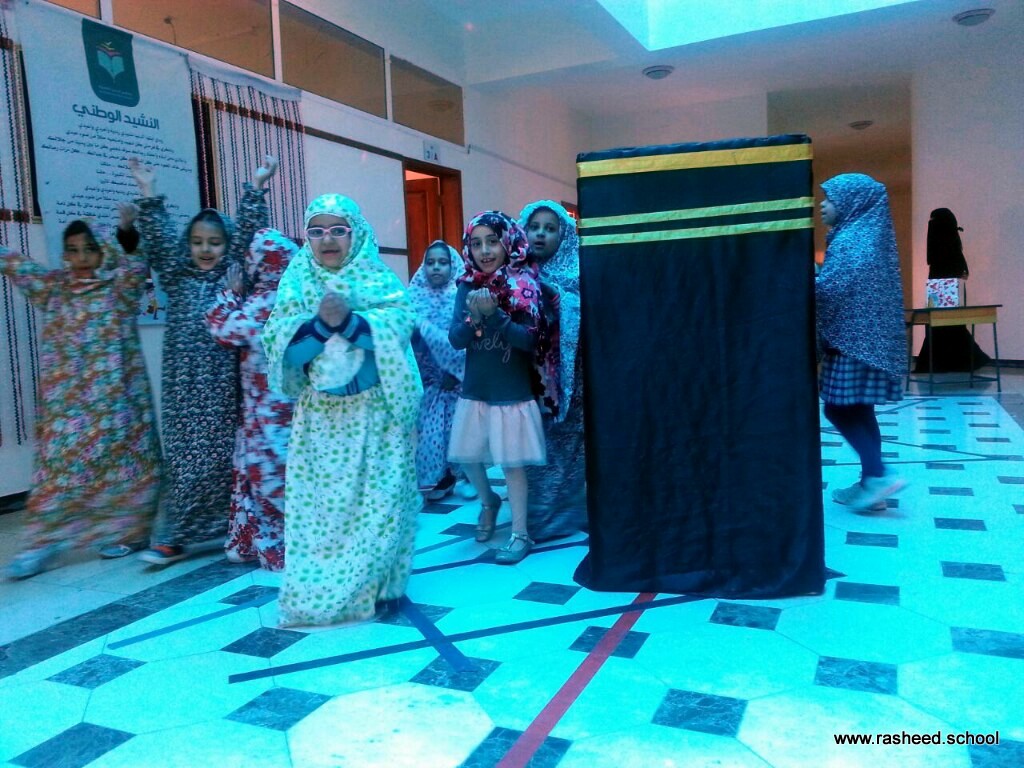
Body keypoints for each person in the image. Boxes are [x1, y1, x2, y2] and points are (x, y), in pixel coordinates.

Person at [262, 193, 422, 627]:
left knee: (382, 505)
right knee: (326, 514)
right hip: (322, 424)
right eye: (316, 231)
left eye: (338, 230)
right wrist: (320, 326)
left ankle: (381, 585)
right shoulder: (297, 281)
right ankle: (328, 587)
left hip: (375, 418)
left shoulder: (376, 277)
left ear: (357, 234)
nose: (327, 239)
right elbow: (283, 349)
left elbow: (399, 326)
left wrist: (349, 322)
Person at [129, 155, 276, 565]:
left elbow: (248, 234)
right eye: (196, 242)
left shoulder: (231, 274)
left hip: (225, 387)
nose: (205, 249)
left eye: (214, 242)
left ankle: (231, 528)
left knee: (225, 458)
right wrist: (147, 191)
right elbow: (159, 238)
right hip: (183, 388)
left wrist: (256, 187)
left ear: (227, 246)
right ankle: (177, 534)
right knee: (182, 459)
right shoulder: (177, 275)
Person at [1, 205, 160, 579]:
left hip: (118, 405)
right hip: (68, 408)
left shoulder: (119, 289)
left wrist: (126, 228)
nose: (81, 257)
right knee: (57, 470)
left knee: (123, 467)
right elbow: (17, 265)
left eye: (89, 249)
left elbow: (135, 264)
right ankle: (44, 542)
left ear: (103, 251)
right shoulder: (54, 288)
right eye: (72, 250)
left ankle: (132, 533)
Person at [448, 211, 548, 564]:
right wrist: (474, 317)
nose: (485, 251)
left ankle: (520, 533)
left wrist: (496, 316)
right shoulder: (466, 285)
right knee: (469, 456)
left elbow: (529, 341)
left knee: (511, 465)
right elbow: (456, 339)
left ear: (508, 243)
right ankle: (488, 501)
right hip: (476, 390)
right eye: (476, 244)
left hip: (511, 393)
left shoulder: (523, 284)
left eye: (492, 241)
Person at [204, 229, 296, 571]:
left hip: (266, 412)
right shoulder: (296, 299)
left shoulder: (261, 304)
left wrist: (230, 294)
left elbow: (223, 329)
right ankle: (249, 540)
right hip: (290, 406)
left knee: (267, 477)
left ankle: (276, 546)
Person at [816, 173, 907, 512]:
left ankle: (877, 475)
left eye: (830, 199)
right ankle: (872, 484)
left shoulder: (851, 241)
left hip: (852, 343)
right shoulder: (867, 238)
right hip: (870, 344)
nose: (822, 205)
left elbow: (829, 290)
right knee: (860, 409)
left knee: (836, 408)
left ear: (851, 202)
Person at [519, 200, 586, 541]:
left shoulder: (578, 272)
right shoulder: (515, 273)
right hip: (530, 380)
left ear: (564, 235)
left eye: (550, 228)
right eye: (534, 227)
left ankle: (566, 516)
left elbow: (583, 311)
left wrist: (555, 295)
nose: (540, 234)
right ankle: (536, 517)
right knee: (534, 446)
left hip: (572, 383)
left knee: (569, 448)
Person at [408, 240, 466, 502]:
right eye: (430, 262)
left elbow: (465, 339)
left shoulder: (459, 297)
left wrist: (454, 368)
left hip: (456, 381)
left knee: (455, 433)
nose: (436, 268)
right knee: (429, 434)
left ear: (453, 266)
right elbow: (404, 336)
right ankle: (436, 480)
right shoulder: (413, 297)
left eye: (443, 262)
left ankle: (459, 477)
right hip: (426, 380)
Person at [914, 207, 992, 372]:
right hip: (946, 288)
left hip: (941, 287)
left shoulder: (944, 248)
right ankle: (962, 361)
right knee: (950, 325)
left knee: (943, 324)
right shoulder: (953, 246)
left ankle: (946, 362)